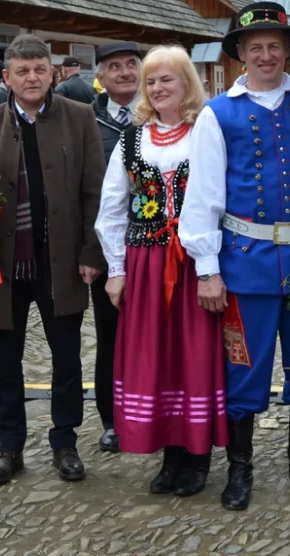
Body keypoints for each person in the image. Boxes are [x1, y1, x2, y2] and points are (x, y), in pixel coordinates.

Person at [180, 1, 290, 510]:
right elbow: (202, 196)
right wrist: (208, 270)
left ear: (288, 51)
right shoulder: (218, 114)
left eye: (275, 46)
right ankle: (240, 470)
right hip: (246, 263)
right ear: (240, 54)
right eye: (255, 47)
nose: (266, 55)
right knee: (243, 370)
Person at [0, 34, 106, 486]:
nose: (31, 78)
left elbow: (94, 191)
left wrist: (91, 251)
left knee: (67, 358)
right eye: (22, 71)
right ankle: (10, 446)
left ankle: (64, 441)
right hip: (6, 267)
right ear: (6, 77)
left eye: (39, 70)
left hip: (60, 264)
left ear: (53, 74)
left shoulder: (79, 117)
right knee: (4, 362)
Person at [95, 46, 227, 496]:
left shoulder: (205, 132)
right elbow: (112, 207)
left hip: (193, 264)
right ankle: (170, 454)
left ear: (187, 83)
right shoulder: (133, 139)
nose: (157, 88)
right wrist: (117, 269)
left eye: (167, 79)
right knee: (157, 357)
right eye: (151, 81)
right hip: (147, 263)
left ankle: (197, 457)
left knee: (194, 354)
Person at [61, 41, 142, 452]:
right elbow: (80, 194)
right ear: (101, 76)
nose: (125, 73)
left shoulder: (164, 114)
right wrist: (90, 252)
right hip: (108, 250)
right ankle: (111, 418)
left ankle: (158, 413)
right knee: (111, 336)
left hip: (161, 248)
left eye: (132, 65)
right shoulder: (85, 122)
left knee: (157, 335)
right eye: (115, 67)